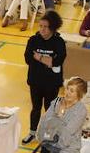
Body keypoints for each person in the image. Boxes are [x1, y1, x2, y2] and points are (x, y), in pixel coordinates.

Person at [23, 11, 67, 143]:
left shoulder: (59, 42)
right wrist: (47, 60)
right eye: (40, 26)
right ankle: (32, 132)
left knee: (50, 110)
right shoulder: (33, 40)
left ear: (52, 28)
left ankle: (49, 134)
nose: (42, 29)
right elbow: (28, 59)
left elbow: (57, 61)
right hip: (35, 81)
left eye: (45, 27)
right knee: (35, 108)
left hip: (51, 83)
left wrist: (40, 57)